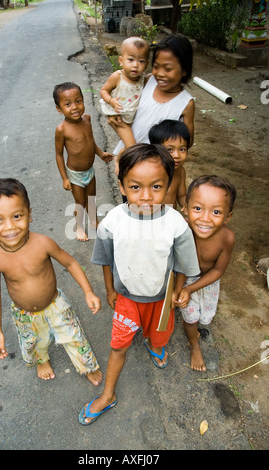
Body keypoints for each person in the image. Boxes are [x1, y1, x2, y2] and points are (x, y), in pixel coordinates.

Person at [78, 143, 200, 425]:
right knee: (118, 346)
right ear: (121, 186)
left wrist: (179, 291)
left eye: (156, 187)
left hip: (161, 300)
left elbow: (182, 264)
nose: (146, 196)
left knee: (158, 336)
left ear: (169, 184)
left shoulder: (176, 224)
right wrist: (110, 290)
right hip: (127, 301)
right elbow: (106, 260)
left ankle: (155, 346)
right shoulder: (112, 221)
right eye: (135, 187)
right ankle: (108, 394)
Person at [0, 177, 103, 384]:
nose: (10, 226)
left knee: (74, 337)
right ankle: (41, 360)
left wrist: (88, 291)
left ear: (29, 215)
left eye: (17, 216)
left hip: (56, 305)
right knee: (33, 343)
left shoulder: (43, 243)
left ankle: (86, 365)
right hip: (25, 315)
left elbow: (71, 263)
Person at [177, 175, 236, 371]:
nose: (205, 218)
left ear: (228, 216)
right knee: (190, 316)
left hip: (209, 280)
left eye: (216, 211)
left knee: (205, 316)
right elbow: (177, 263)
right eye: (198, 208)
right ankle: (194, 345)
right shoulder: (183, 230)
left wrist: (193, 288)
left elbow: (218, 270)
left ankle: (198, 330)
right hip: (184, 277)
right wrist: (181, 290)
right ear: (185, 207)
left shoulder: (226, 237)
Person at [111, 34, 195, 172]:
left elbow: (188, 140)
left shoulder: (186, 103)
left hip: (156, 167)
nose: (160, 74)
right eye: (156, 67)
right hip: (128, 156)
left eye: (168, 69)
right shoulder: (147, 81)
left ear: (184, 70)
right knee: (128, 191)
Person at [53, 82, 113, 242]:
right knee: (80, 203)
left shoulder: (87, 119)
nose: (75, 107)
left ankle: (94, 222)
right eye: (67, 104)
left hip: (90, 170)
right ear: (59, 109)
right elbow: (59, 155)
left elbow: (90, 142)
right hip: (75, 174)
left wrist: (101, 154)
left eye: (78, 101)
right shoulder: (62, 130)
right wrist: (65, 178)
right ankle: (79, 226)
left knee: (91, 198)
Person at [100, 36, 150, 149]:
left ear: (147, 64)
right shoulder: (117, 77)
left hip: (132, 118)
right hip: (120, 119)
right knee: (132, 147)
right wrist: (111, 100)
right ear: (121, 61)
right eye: (131, 60)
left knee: (129, 144)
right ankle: (122, 163)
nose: (135, 65)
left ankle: (119, 158)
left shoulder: (143, 79)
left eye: (141, 61)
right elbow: (103, 90)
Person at [149, 119, 190, 210]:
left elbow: (181, 195)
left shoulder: (180, 171)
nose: (177, 155)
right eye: (170, 150)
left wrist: (188, 206)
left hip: (169, 219)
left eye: (182, 149)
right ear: (155, 149)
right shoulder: (149, 173)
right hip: (149, 218)